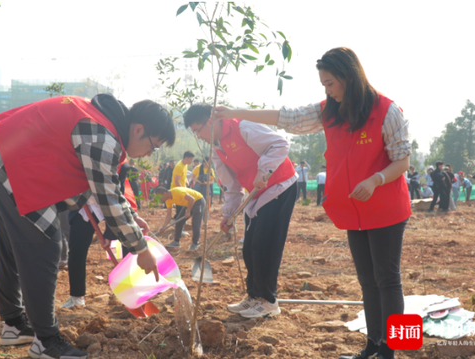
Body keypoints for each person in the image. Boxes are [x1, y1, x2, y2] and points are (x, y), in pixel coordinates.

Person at [213, 47, 411, 359]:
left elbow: (402, 161)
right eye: (324, 86)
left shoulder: (386, 111)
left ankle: (392, 351)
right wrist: (236, 113)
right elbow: (286, 118)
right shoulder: (329, 111)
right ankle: (373, 346)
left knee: (387, 279)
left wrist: (375, 180)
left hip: (385, 207)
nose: (327, 92)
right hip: (354, 210)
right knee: (367, 281)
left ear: (348, 77)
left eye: (330, 84)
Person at [0, 94, 174, 359]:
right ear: (138, 130)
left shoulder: (100, 121)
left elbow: (103, 188)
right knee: (45, 245)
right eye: (153, 146)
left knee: (11, 244)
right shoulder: (102, 135)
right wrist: (140, 248)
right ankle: (46, 341)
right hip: (13, 164)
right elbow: (107, 197)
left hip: (2, 156)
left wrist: (131, 219)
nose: (149, 153)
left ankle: (14, 324)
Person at [185, 101, 297, 320]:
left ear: (211, 120)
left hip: (279, 185)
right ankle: (254, 296)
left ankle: (268, 301)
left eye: (198, 130)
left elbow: (279, 144)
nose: (198, 136)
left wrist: (264, 170)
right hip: (256, 193)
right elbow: (231, 185)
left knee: (264, 245)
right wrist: (228, 214)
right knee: (249, 248)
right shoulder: (216, 148)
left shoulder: (242, 126)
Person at [60, 162, 140, 309]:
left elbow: (116, 199)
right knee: (77, 248)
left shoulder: (119, 164)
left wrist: (109, 234)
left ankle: (132, 291)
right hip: (84, 204)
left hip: (113, 202)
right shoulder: (76, 156)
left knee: (128, 241)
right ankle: (77, 297)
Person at [155, 186, 205, 251]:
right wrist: (164, 227)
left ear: (164, 194)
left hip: (198, 201)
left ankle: (195, 244)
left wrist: (188, 211)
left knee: (195, 224)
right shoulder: (168, 200)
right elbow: (168, 215)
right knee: (179, 221)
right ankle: (176, 242)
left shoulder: (177, 192)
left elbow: (192, 199)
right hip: (188, 203)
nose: (160, 200)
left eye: (160, 197)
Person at [171, 151, 195, 220]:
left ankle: (176, 220)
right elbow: (176, 181)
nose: (192, 161)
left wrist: (187, 182)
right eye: (191, 159)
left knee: (182, 207)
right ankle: (178, 223)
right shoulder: (179, 166)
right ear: (186, 158)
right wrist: (183, 191)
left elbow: (183, 176)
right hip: (177, 189)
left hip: (182, 188)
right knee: (180, 208)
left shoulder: (185, 165)